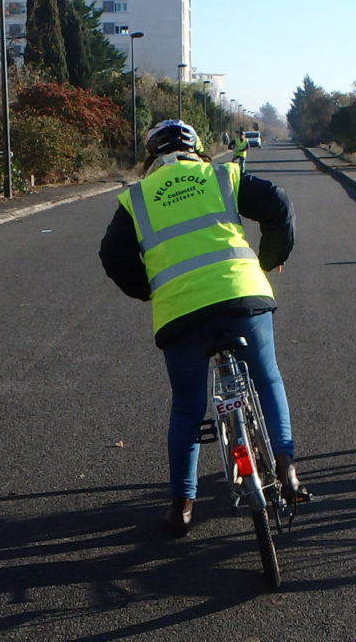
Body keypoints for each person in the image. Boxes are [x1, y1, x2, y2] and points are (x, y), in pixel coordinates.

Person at [99, 118, 308, 536]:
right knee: (266, 378)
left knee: (189, 406)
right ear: (197, 148)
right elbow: (278, 203)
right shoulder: (222, 174)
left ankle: (182, 506)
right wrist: (268, 259)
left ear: (151, 157)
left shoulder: (136, 199)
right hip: (242, 295)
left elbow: (112, 255)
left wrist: (153, 290)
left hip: (181, 313)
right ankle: (287, 467)